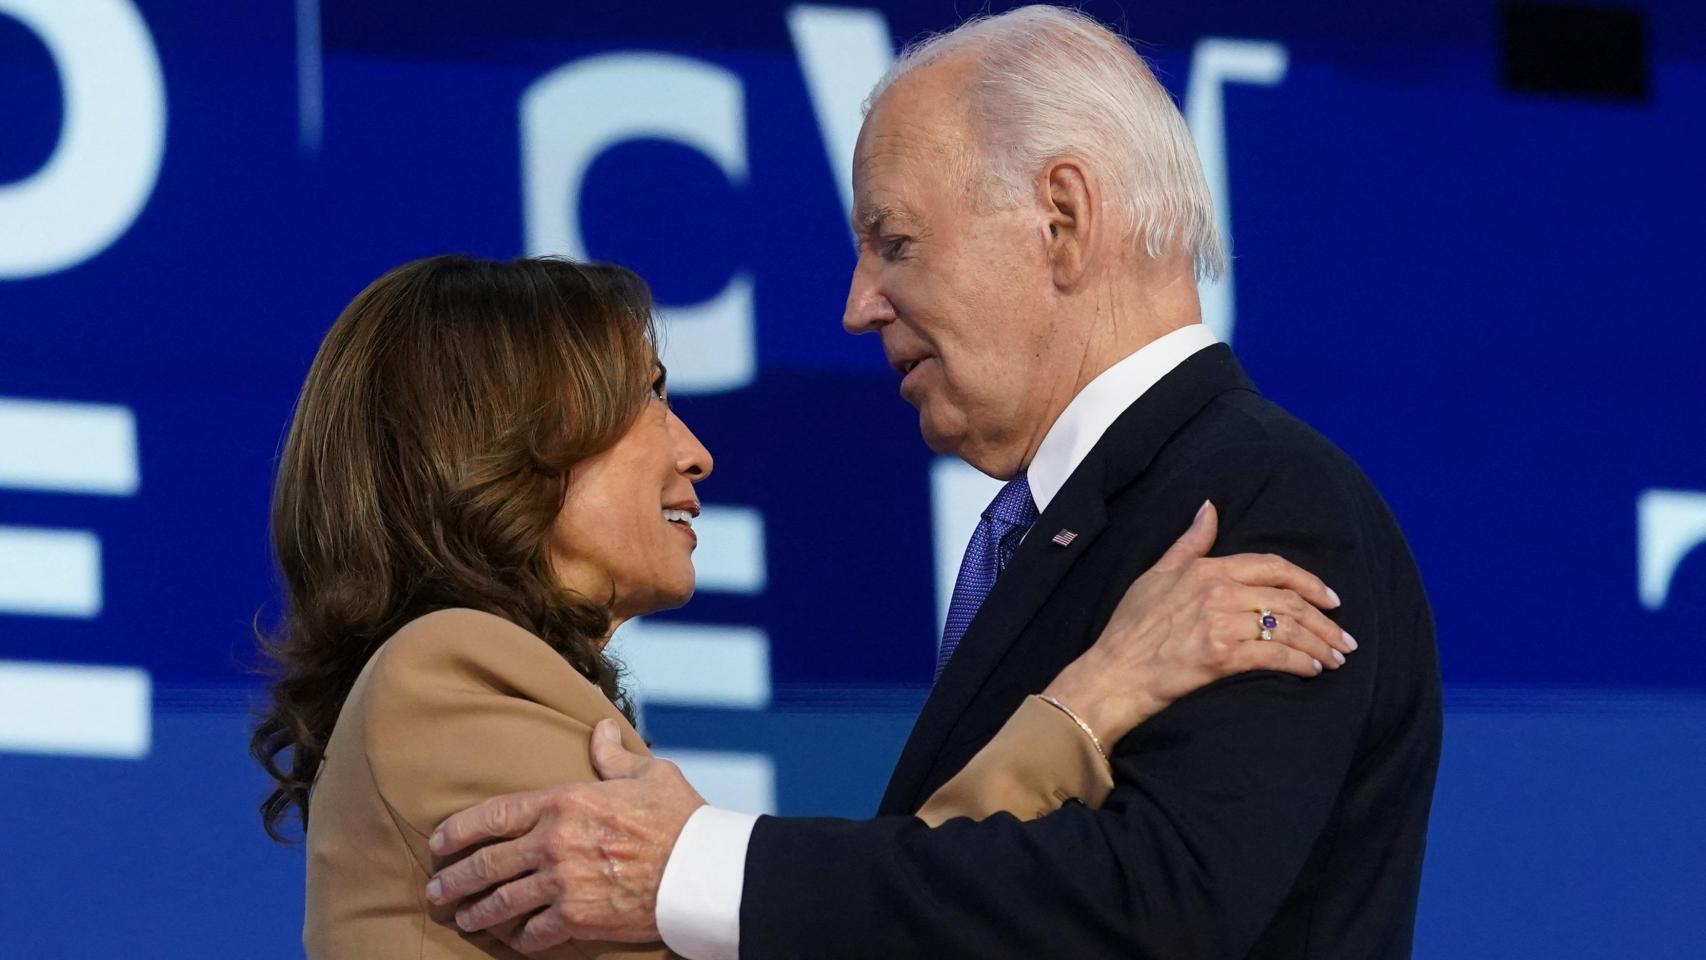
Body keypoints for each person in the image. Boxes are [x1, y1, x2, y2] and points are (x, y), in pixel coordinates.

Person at [425, 6, 1442, 960]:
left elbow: (1163, 898)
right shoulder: (1094, 516)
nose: (856, 305)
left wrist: (695, 866)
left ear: (1061, 217)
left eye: (895, 243)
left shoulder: (1251, 501)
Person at [250, 254, 1350, 958]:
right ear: (502, 440)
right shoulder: (449, 671)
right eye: (643, 400)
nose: (693, 451)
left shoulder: (478, 687)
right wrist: (1095, 696)